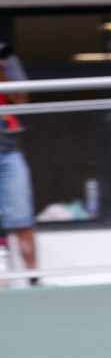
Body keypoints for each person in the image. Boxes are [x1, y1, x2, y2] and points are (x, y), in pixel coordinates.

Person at [0, 43, 39, 286]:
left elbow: (22, 99)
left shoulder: (9, 65)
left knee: (22, 215)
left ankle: (33, 277)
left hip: (10, 150)